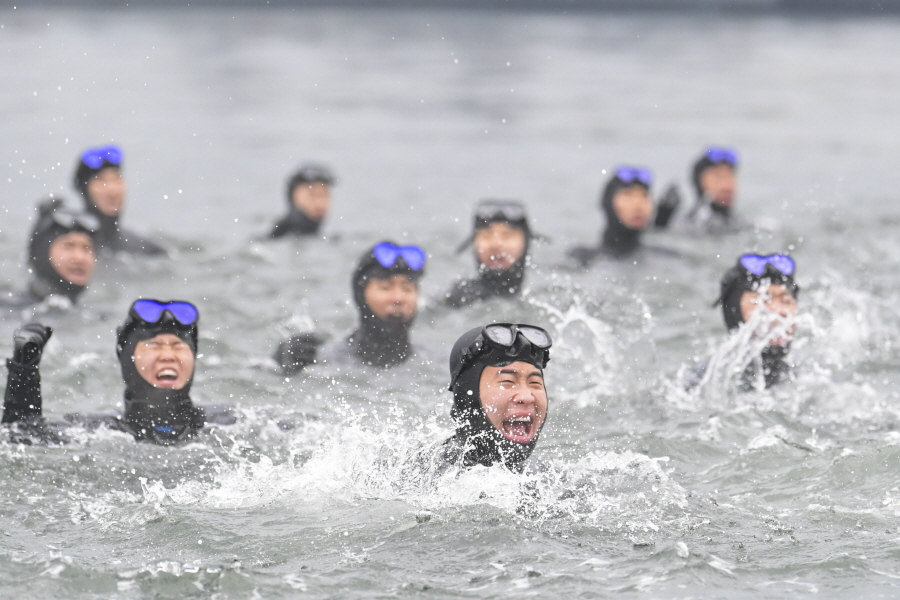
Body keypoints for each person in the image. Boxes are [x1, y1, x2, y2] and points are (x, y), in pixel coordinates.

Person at [1, 299, 236, 445]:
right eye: (154, 345)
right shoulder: (97, 431)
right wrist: (24, 370)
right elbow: (20, 436)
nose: (168, 355)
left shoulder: (229, 423)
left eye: (178, 345)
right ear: (127, 359)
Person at [275, 241, 426, 373]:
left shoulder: (436, 362)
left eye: (408, 289)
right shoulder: (322, 359)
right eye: (385, 288)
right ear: (361, 295)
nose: (398, 298)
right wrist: (282, 362)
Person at [439, 323, 552, 473]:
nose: (527, 397)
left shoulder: (551, 482)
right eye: (507, 382)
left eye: (535, 383)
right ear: (467, 397)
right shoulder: (423, 476)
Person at [685, 253, 799, 391]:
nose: (779, 311)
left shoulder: (807, 379)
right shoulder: (703, 382)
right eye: (762, 300)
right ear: (734, 311)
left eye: (786, 301)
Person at [0, 198, 98, 313]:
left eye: (87, 248)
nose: (79, 257)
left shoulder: (97, 316)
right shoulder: (7, 309)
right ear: (42, 255)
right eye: (68, 246)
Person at [568, 166, 674, 266]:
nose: (638, 205)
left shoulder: (666, 257)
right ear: (608, 203)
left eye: (644, 196)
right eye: (628, 195)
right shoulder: (581, 258)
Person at [73, 143, 167, 256]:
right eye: (102, 181)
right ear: (84, 189)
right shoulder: (67, 248)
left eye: (117, 179)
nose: (112, 190)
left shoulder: (148, 250)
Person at [444, 200, 532, 308]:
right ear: (474, 243)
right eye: (486, 236)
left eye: (507, 235)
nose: (496, 244)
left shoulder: (547, 288)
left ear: (526, 241)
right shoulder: (457, 298)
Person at [680, 146, 748, 234]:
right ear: (700, 183)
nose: (727, 187)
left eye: (730, 177)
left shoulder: (741, 224)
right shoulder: (688, 225)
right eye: (718, 177)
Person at [268, 163, 336, 238]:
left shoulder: (316, 233)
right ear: (293, 197)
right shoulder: (284, 235)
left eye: (324, 195)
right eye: (312, 195)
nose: (320, 203)